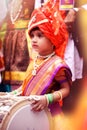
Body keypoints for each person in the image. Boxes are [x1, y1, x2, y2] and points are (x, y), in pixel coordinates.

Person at [6, 0, 72, 129]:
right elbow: (27, 86)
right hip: (32, 113)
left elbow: (66, 90)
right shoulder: (35, 58)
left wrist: (48, 99)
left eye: (40, 36)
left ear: (53, 40)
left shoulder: (57, 64)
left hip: (50, 115)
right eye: (32, 36)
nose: (34, 39)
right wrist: (14, 94)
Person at [0, 0, 35, 91]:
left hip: (24, 42)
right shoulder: (9, 2)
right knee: (9, 78)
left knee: (24, 75)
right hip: (9, 40)